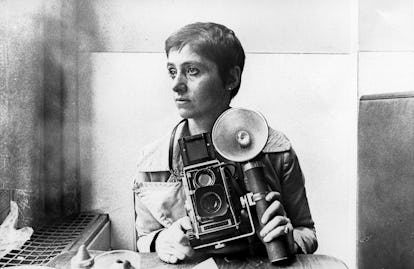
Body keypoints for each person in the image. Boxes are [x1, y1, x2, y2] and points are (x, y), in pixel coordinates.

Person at [133, 22, 318, 264]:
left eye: (192, 71)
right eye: (172, 71)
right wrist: (161, 241)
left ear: (231, 77)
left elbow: (308, 233)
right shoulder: (152, 162)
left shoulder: (274, 151)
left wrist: (289, 239)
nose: (176, 84)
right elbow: (143, 240)